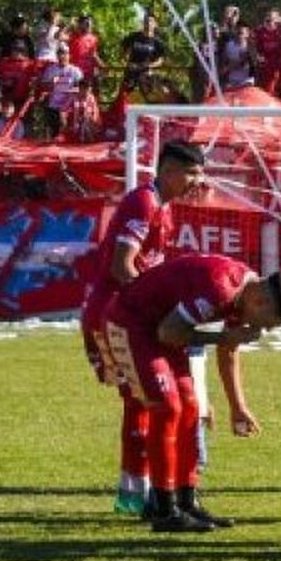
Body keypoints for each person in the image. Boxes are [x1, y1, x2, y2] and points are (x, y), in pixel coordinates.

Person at [106, 254, 281, 531]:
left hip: (157, 327)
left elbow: (228, 351)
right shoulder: (221, 287)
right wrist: (222, 336)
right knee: (168, 407)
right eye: (268, 322)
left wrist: (238, 406)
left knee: (191, 407)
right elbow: (169, 332)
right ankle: (163, 509)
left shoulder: (245, 293)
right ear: (261, 301)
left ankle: (186, 502)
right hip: (133, 323)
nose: (263, 329)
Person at [80, 141, 205, 515]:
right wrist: (151, 310)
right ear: (167, 171)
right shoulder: (144, 202)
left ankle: (139, 492)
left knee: (146, 401)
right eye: (192, 172)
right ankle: (139, 494)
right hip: (115, 315)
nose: (198, 181)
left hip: (130, 315)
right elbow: (123, 266)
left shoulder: (163, 207)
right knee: (142, 401)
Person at [37, 43, 83, 137]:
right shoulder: (50, 70)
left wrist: (69, 89)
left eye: (65, 53)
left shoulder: (75, 71)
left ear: (69, 55)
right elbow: (44, 85)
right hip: (53, 104)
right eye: (60, 53)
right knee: (54, 130)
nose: (63, 56)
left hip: (70, 105)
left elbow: (81, 88)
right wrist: (52, 85)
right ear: (57, 55)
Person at [120, 13, 167, 94]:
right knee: (125, 96)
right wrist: (127, 62)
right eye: (146, 21)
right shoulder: (134, 36)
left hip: (146, 74)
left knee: (160, 92)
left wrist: (150, 65)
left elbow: (161, 60)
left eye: (151, 21)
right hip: (131, 73)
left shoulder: (157, 42)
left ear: (155, 24)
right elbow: (123, 50)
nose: (148, 23)